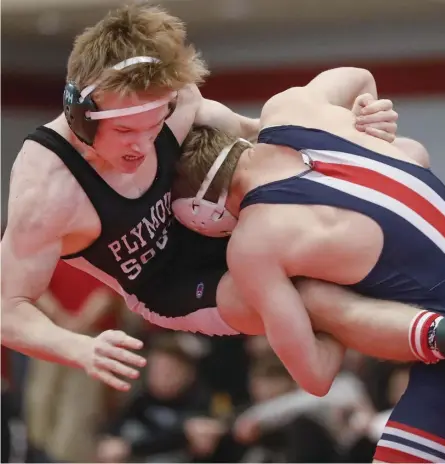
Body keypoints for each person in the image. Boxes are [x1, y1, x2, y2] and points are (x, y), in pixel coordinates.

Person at [0, 3, 395, 392]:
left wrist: (351, 126)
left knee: (387, 171)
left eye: (153, 127)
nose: (141, 146)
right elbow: (7, 309)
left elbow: (259, 139)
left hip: (231, 232)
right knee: (313, 300)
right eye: (124, 132)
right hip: (174, 287)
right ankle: (433, 335)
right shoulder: (47, 188)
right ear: (79, 113)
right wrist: (79, 347)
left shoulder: (178, 104)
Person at [173, 67, 445, 462]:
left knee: (312, 297)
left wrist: (321, 295)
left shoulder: (253, 246)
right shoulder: (291, 106)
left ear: (199, 214)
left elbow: (317, 376)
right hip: (442, 349)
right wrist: (368, 114)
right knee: (411, 152)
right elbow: (359, 78)